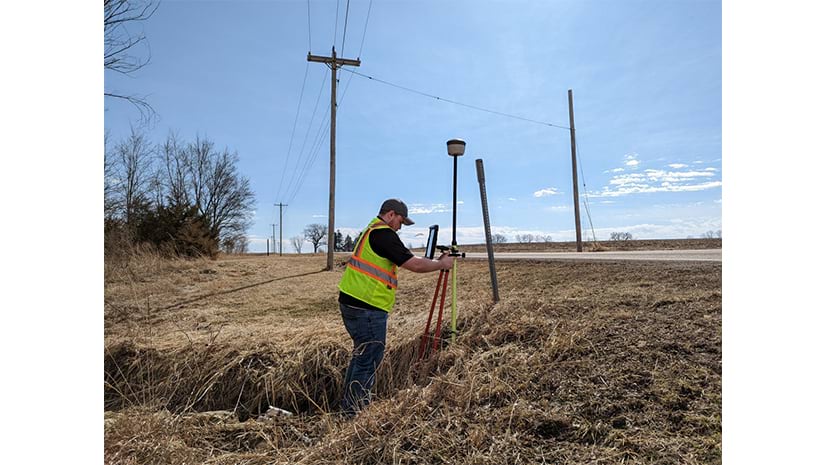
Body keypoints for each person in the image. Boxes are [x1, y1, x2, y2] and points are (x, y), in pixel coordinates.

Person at [337, 198, 454, 417]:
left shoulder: (370, 229)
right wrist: (441, 264)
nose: (400, 227)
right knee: (368, 358)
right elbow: (414, 264)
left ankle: (349, 405)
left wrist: (433, 261)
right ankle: (353, 412)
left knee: (361, 355)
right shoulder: (384, 234)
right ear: (391, 214)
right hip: (367, 307)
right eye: (400, 221)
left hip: (351, 301)